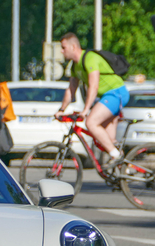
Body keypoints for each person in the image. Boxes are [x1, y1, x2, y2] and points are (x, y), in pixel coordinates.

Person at [56, 33, 130, 169]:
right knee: (106, 140)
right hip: (107, 97)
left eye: (63, 47)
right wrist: (61, 110)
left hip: (116, 93)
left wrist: (85, 110)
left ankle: (117, 156)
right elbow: (71, 89)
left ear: (73, 47)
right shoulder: (74, 66)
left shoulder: (90, 58)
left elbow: (93, 86)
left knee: (91, 122)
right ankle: (125, 173)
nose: (61, 51)